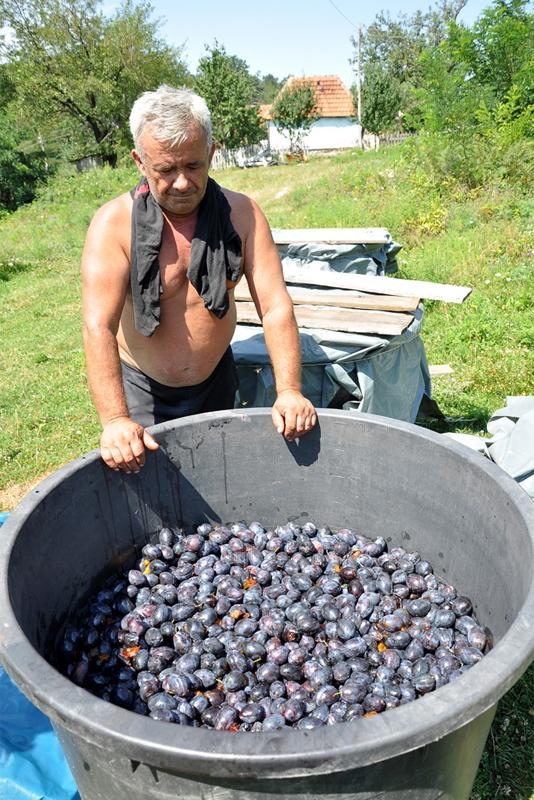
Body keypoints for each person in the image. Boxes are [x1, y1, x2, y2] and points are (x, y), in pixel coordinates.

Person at [82, 85, 317, 474]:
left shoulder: (243, 215)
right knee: (155, 500)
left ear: (211, 153)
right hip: (144, 391)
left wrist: (289, 390)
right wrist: (115, 420)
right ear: (140, 162)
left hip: (217, 381)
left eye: (193, 166)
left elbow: (274, 307)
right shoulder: (113, 226)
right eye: (165, 170)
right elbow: (97, 327)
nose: (181, 182)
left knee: (221, 484)